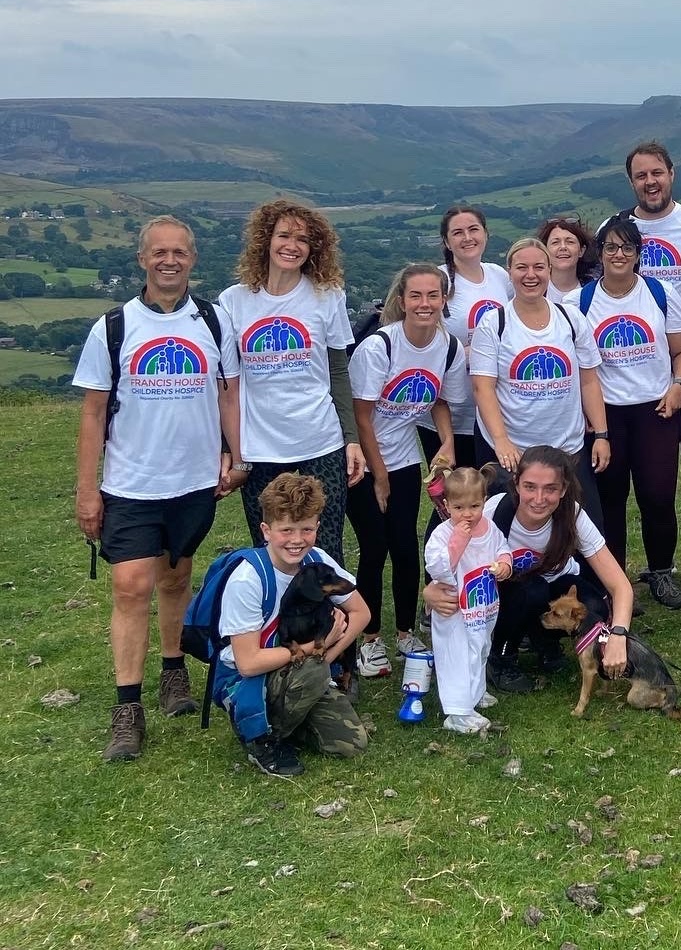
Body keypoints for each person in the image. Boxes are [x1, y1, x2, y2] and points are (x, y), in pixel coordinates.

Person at [74, 215, 243, 761]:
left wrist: (236, 458)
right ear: (142, 259)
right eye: (158, 252)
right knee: (130, 587)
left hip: (193, 481)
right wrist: (86, 490)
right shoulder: (114, 327)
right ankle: (127, 708)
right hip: (131, 481)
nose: (169, 260)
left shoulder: (213, 323)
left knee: (176, 579)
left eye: (179, 252)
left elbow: (228, 398)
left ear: (193, 259)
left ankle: (173, 669)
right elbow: (93, 413)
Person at [604, 142, 681, 589]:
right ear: (631, 181)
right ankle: (617, 573)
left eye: (657, 173)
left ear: (672, 174)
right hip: (626, 376)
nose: (650, 182)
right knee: (616, 484)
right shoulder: (615, 228)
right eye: (640, 175)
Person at [423, 446, 635, 694]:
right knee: (532, 589)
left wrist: (618, 635)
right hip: (503, 595)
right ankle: (500, 657)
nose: (539, 498)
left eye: (551, 489)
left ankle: (544, 642)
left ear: (564, 490)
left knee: (593, 605)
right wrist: (430, 591)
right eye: (530, 487)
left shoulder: (573, 515)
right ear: (516, 483)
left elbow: (620, 586)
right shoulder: (490, 511)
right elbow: (444, 552)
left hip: (548, 589)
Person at [219, 200, 363, 562]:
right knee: (270, 550)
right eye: (284, 235)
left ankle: (331, 620)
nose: (292, 245)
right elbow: (227, 386)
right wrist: (228, 449)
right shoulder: (233, 302)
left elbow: (338, 372)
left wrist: (351, 439)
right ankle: (275, 618)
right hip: (260, 445)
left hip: (320, 440)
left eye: (302, 239)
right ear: (266, 240)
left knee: (325, 548)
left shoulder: (327, 297)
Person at [348, 263, 468, 679]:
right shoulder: (379, 347)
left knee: (405, 545)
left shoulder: (447, 346)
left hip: (403, 459)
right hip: (363, 462)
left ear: (444, 300)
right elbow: (362, 417)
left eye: (433, 296)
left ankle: (403, 633)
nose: (425, 304)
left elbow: (437, 400)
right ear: (402, 301)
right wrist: (378, 477)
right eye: (416, 296)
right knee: (374, 546)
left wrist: (447, 440)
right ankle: (369, 639)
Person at [213, 473, 369, 776]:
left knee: (351, 742)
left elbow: (361, 612)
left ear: (317, 528)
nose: (297, 540)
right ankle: (259, 735)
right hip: (249, 679)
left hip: (301, 667)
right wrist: (314, 651)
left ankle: (290, 720)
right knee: (310, 671)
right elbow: (247, 662)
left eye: (306, 529)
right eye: (286, 530)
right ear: (266, 530)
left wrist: (328, 654)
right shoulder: (249, 578)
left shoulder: (317, 560)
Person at [579, 216, 681, 610]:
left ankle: (661, 573)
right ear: (600, 253)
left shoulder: (660, 293)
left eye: (627, 247)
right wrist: (596, 428)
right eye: (610, 247)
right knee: (610, 501)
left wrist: (679, 386)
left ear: (639, 253)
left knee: (658, 495)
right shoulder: (580, 302)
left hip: (656, 410)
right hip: (606, 414)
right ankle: (615, 584)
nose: (619, 254)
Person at [470, 238, 608, 523]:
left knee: (584, 529)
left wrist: (602, 436)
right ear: (509, 272)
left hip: (568, 448)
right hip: (516, 453)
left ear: (549, 271)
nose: (530, 275)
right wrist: (501, 441)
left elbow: (589, 380)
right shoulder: (494, 323)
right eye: (522, 267)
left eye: (538, 267)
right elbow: (483, 387)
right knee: (516, 537)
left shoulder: (570, 318)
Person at [418, 205, 513, 475]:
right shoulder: (437, 281)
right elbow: (422, 344)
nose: (467, 238)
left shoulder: (499, 276)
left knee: (491, 493)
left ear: (486, 233)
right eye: (457, 233)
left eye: (473, 229)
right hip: (450, 412)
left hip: (492, 410)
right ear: (447, 242)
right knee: (455, 498)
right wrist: (471, 352)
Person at [423, 465, 514, 733]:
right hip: (454, 610)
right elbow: (438, 568)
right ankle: (458, 712)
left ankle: (475, 693)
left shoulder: (490, 528)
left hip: (482, 606)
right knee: (457, 656)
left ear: (483, 502)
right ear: (447, 505)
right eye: (459, 507)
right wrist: (458, 540)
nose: (467, 514)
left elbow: (502, 548)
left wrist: (504, 564)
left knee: (480, 649)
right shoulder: (442, 535)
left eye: (474, 506)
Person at [540, 215, 600, 303]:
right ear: (545, 250)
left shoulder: (595, 291)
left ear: (581, 251)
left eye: (570, 242)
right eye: (555, 242)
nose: (563, 247)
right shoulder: (534, 288)